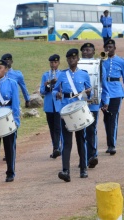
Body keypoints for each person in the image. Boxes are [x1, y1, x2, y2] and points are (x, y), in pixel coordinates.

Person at [52, 49, 91, 182]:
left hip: (79, 111)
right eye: (69, 58)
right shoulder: (63, 75)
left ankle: (83, 169)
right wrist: (57, 94)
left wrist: (89, 92)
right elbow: (55, 90)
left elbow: (90, 93)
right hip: (66, 111)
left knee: (81, 140)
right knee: (66, 142)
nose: (71, 60)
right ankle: (66, 171)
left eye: (73, 58)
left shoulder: (84, 75)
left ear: (78, 59)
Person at [80, 43, 110, 169]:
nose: (86, 52)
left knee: (91, 131)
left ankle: (92, 156)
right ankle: (84, 157)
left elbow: (103, 84)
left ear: (93, 52)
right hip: (80, 105)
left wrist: (105, 101)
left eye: (89, 50)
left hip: (93, 104)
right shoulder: (77, 65)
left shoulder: (98, 65)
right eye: (84, 50)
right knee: (82, 132)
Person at [102, 39, 124, 155]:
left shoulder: (121, 61)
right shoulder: (102, 61)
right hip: (105, 92)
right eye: (107, 47)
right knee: (106, 119)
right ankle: (109, 143)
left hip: (117, 91)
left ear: (114, 48)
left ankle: (112, 145)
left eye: (110, 47)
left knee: (113, 118)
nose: (109, 49)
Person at [39, 54, 62, 159]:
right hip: (49, 105)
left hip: (58, 105)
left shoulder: (62, 74)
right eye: (51, 63)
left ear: (58, 63)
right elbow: (42, 91)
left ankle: (58, 148)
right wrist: (48, 84)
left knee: (58, 127)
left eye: (55, 62)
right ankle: (55, 147)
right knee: (52, 128)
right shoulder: (45, 75)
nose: (53, 65)